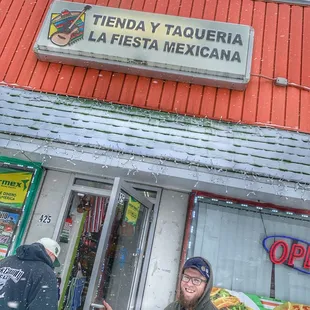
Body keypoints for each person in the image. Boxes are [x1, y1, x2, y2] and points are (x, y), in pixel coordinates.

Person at [0, 237, 61, 309]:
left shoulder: (6, 261)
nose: (53, 263)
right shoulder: (46, 273)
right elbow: (44, 306)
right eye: (54, 258)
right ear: (50, 253)